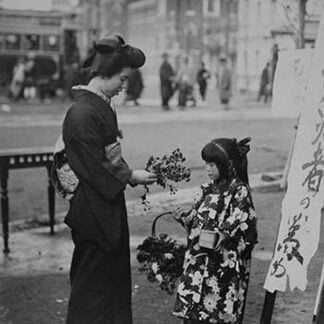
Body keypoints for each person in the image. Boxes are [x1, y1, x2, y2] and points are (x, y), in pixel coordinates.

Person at [59, 34, 157, 324]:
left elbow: (105, 158)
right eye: (122, 79)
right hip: (92, 210)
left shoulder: (96, 107)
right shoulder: (81, 113)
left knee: (110, 282)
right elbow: (93, 164)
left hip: (104, 205)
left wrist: (127, 174)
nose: (124, 86)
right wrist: (129, 175)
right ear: (104, 73)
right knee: (92, 285)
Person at [172, 137, 257, 324]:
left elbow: (242, 222)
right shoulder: (205, 189)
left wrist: (223, 234)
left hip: (222, 265)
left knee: (216, 312)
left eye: (212, 165)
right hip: (198, 262)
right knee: (193, 313)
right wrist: (184, 219)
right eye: (206, 164)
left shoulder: (239, 191)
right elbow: (195, 221)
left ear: (228, 165)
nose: (207, 169)